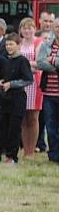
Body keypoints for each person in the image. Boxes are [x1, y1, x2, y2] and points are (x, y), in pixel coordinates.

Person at [0, 34, 33, 163]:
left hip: (17, 98)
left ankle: (11, 156)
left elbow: (28, 80)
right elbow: (3, 76)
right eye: (7, 44)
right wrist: (1, 82)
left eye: (11, 44)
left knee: (14, 128)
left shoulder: (22, 61)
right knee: (1, 126)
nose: (8, 47)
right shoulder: (5, 60)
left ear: (19, 45)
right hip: (4, 98)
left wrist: (11, 84)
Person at [18, 18, 43, 157]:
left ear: (34, 28)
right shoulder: (19, 43)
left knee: (33, 118)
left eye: (30, 28)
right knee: (22, 117)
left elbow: (39, 63)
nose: (27, 31)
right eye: (24, 28)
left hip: (35, 82)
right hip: (21, 83)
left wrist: (23, 63)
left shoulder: (39, 42)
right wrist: (28, 64)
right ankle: (25, 148)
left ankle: (30, 151)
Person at [36, 17, 59, 163]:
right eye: (56, 27)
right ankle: (54, 155)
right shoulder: (45, 45)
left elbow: (46, 62)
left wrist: (52, 60)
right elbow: (39, 63)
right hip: (49, 93)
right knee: (50, 127)